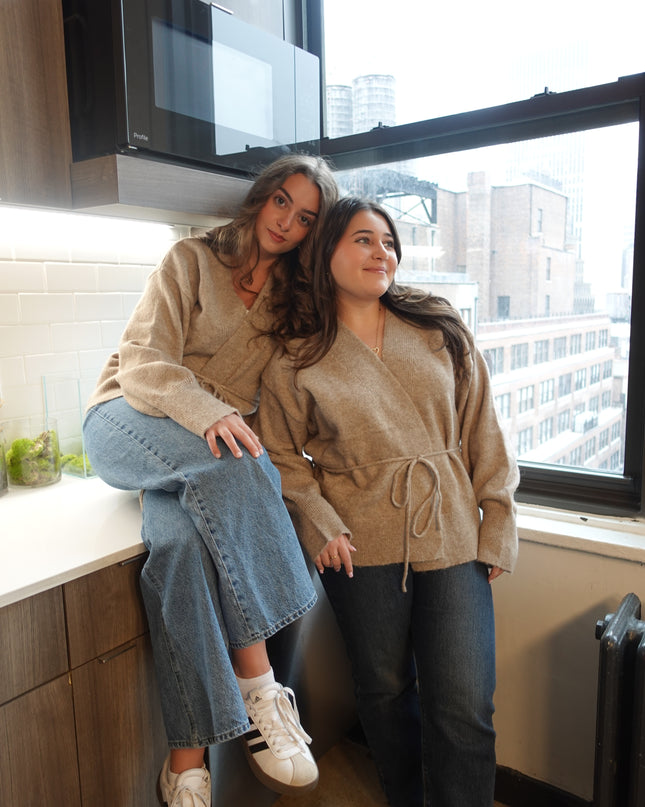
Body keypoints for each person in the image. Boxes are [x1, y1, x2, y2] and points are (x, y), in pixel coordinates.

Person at [82, 154, 339, 807]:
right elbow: (143, 361)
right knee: (236, 459)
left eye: (305, 217)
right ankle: (259, 683)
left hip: (198, 456)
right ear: (261, 198)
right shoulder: (190, 260)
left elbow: (278, 411)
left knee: (178, 548)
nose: (287, 221)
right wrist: (211, 412)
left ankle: (184, 767)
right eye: (282, 201)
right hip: (127, 414)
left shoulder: (291, 305)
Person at [256, 197, 519, 807]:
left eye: (389, 242)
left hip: (452, 531)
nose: (383, 253)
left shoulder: (436, 328)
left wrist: (497, 519)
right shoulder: (297, 356)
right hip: (359, 546)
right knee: (383, 692)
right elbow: (281, 454)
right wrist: (319, 523)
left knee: (466, 703)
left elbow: (484, 429)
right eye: (363, 240)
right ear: (324, 256)